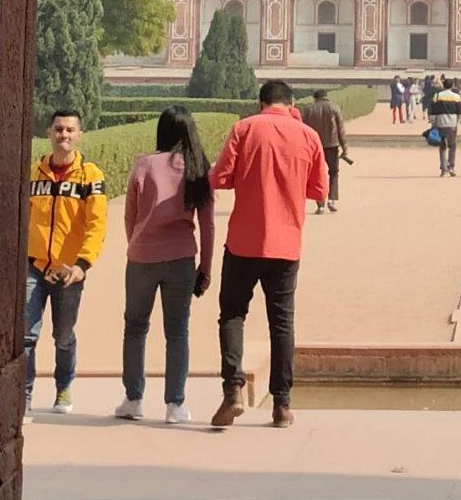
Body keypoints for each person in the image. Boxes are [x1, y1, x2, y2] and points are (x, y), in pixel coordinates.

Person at [208, 79, 327, 429]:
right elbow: (320, 189)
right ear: (291, 104)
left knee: (232, 315)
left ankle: (232, 390)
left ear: (261, 103)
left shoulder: (244, 128)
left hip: (244, 240)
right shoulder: (308, 136)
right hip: (286, 243)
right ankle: (282, 405)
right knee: (282, 324)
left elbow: (220, 178)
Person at [115, 106, 215, 422]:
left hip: (143, 257)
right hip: (181, 257)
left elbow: (130, 215)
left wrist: (137, 244)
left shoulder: (144, 165)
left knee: (135, 328)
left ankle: (133, 399)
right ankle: (175, 405)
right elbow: (208, 224)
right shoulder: (198, 167)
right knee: (177, 332)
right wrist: (206, 267)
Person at [25, 109, 107, 415]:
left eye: (70, 130)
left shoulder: (91, 176)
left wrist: (82, 265)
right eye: (59, 129)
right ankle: (24, 398)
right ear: (49, 133)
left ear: (80, 135)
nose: (64, 136)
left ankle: (63, 387)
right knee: (26, 336)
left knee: (62, 336)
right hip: (34, 265)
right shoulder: (34, 173)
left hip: (70, 271)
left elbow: (96, 224)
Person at [301, 88, 351, 211]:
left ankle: (320, 203)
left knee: (317, 173)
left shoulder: (309, 109)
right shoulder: (334, 108)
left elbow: (304, 130)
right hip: (332, 145)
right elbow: (341, 129)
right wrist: (345, 147)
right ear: (326, 96)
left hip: (314, 147)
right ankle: (332, 200)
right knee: (333, 173)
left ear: (315, 98)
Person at [429, 74, 461, 175]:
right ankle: (451, 166)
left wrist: (433, 124)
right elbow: (460, 112)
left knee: (442, 146)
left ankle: (443, 168)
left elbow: (433, 111)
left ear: (443, 85)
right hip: (452, 124)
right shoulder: (456, 97)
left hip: (440, 123)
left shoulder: (438, 96)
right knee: (452, 145)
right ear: (452, 86)